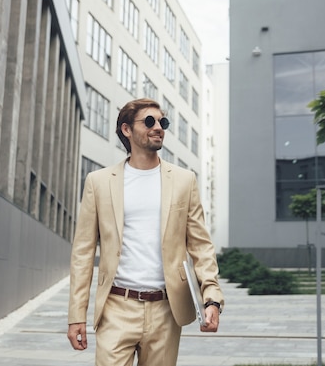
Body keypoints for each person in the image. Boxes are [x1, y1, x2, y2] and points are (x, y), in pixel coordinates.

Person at [67, 98, 224, 366]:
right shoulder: (99, 182)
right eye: (149, 121)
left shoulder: (185, 181)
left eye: (162, 122)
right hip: (116, 307)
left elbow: (201, 246)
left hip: (166, 309)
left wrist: (212, 298)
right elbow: (82, 254)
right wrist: (76, 315)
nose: (158, 127)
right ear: (127, 130)